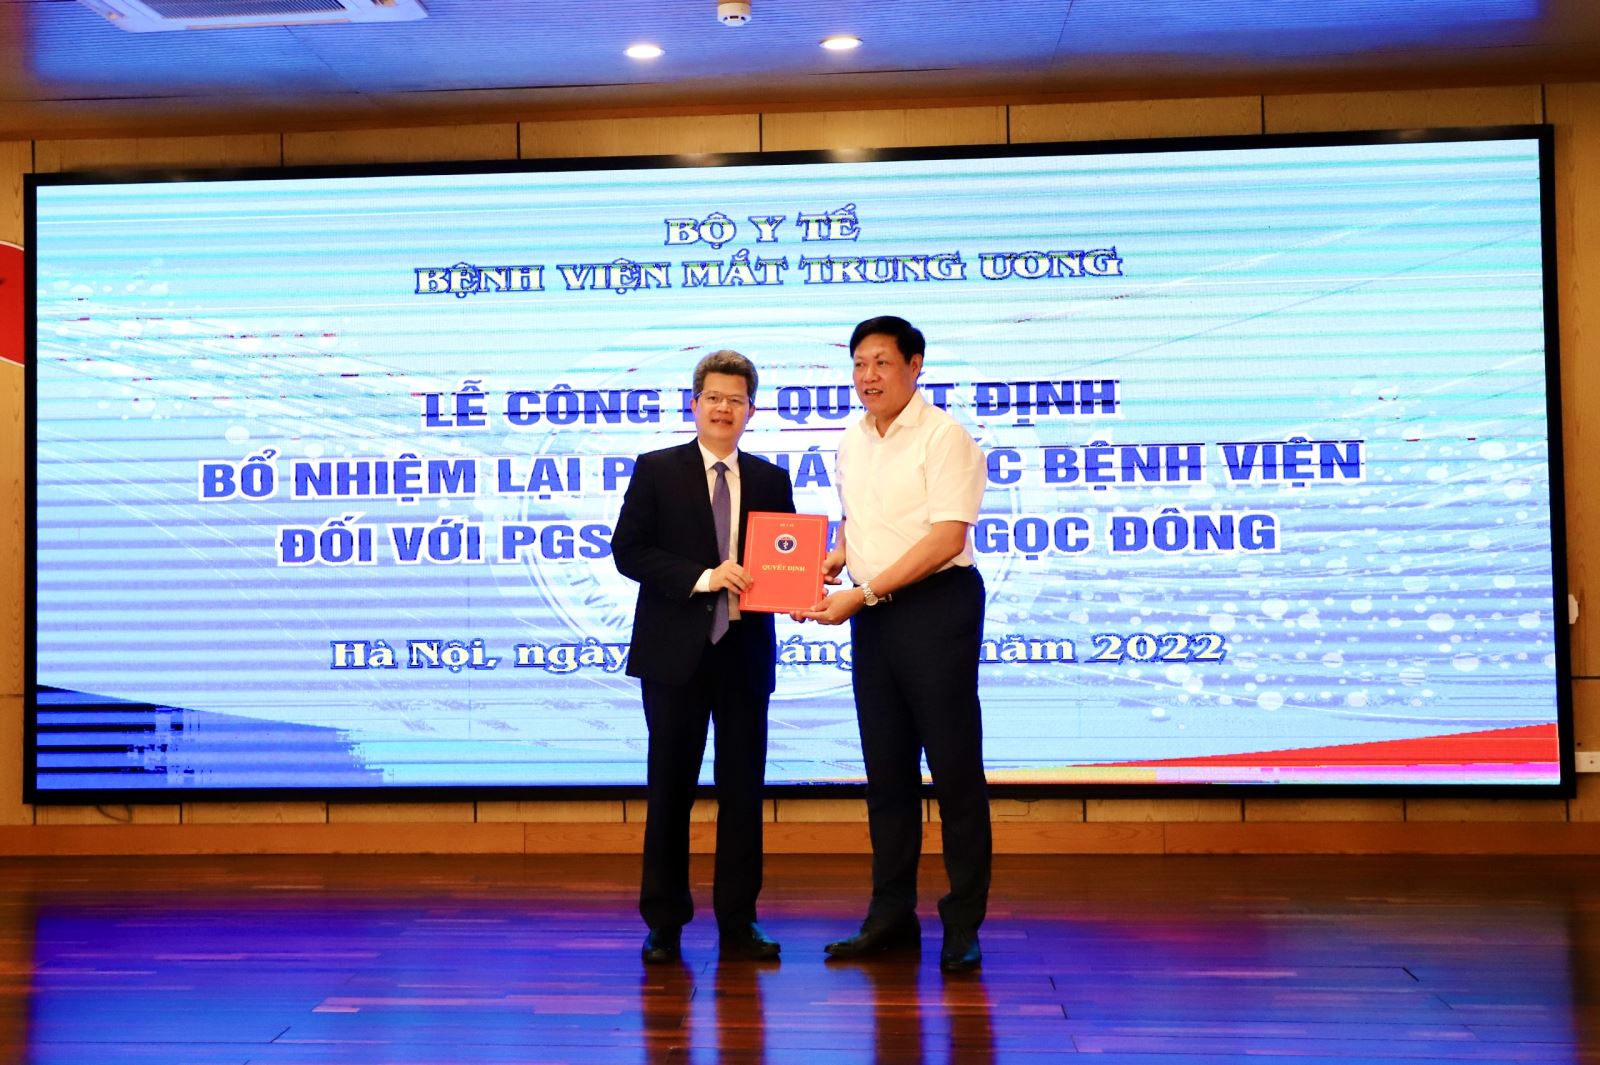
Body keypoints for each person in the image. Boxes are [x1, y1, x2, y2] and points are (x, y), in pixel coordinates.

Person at [798, 315, 992, 973]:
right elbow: (860, 518)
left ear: (915, 365)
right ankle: (890, 917)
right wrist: (837, 556)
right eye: (859, 364)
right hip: (874, 613)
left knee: (954, 771)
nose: (867, 376)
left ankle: (962, 924)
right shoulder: (853, 438)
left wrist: (866, 589)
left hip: (936, 606)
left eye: (881, 362)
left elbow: (946, 537)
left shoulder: (945, 437)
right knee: (886, 773)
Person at [612, 349, 796, 965]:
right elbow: (629, 551)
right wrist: (703, 578)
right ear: (694, 405)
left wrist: (802, 586)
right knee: (670, 790)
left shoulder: (770, 480)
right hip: (674, 656)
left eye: (735, 400)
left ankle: (739, 922)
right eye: (713, 398)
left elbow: (784, 561)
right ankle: (664, 922)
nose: (723, 409)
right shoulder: (656, 469)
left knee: (743, 792)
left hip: (744, 654)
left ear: (751, 411)